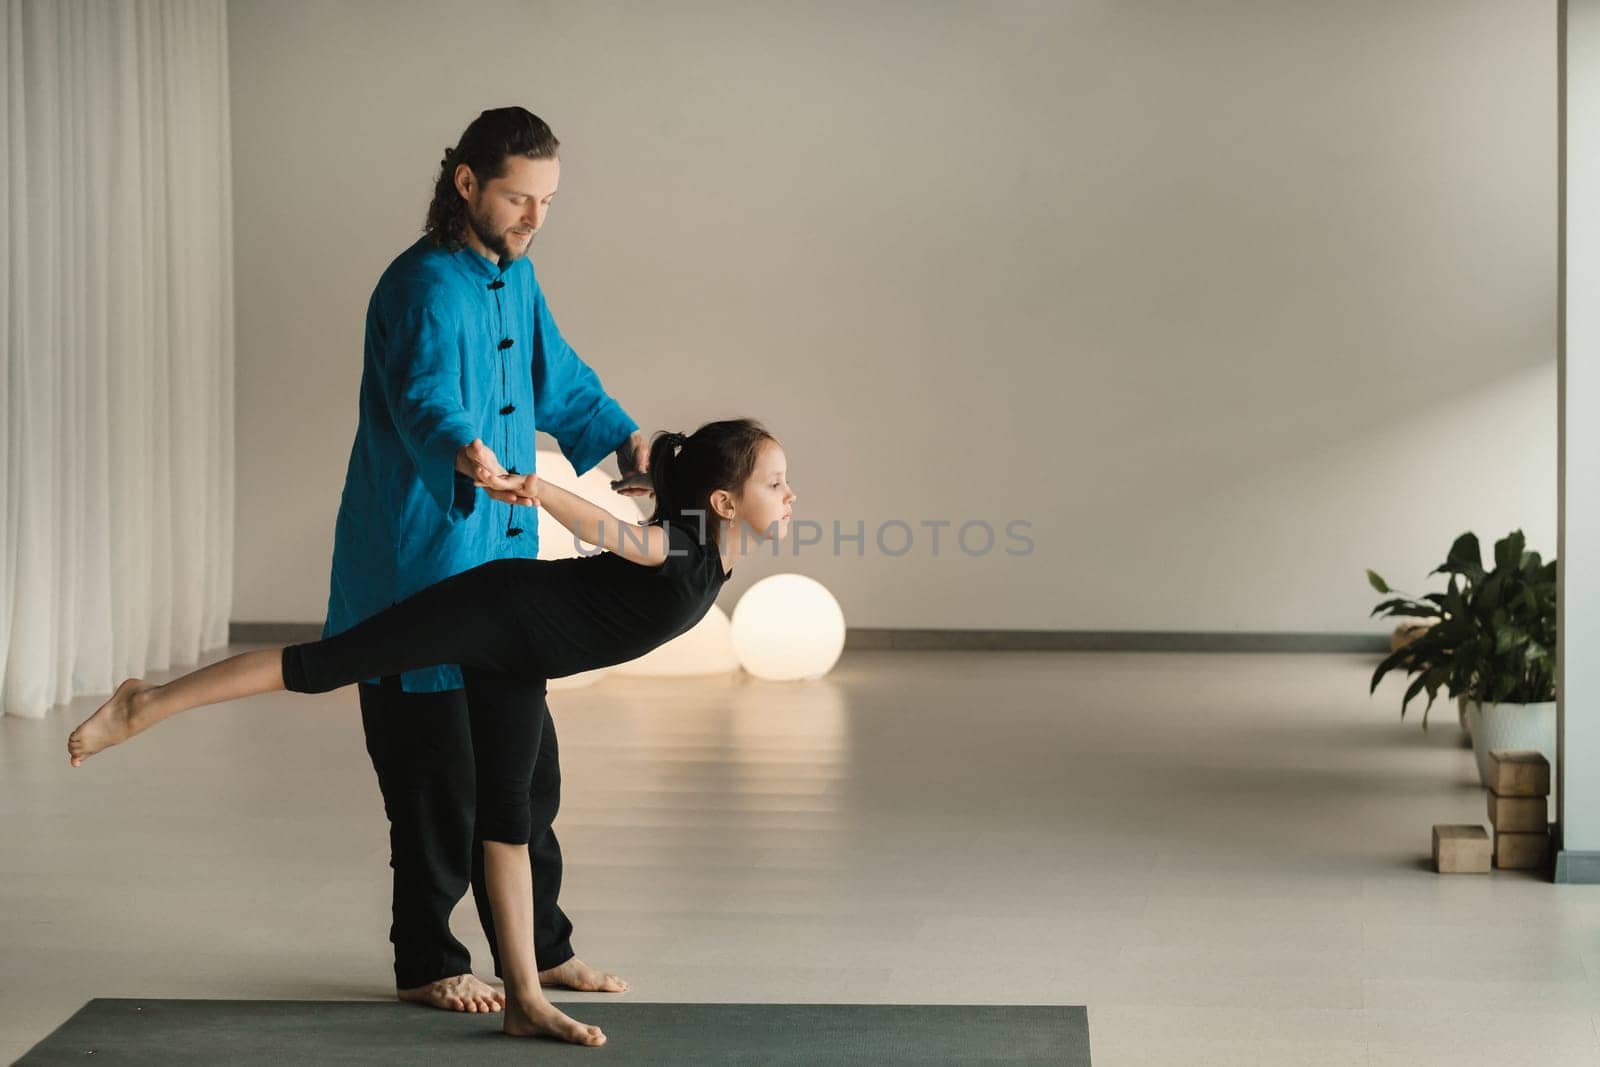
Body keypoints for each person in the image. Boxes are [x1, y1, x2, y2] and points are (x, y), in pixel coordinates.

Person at [68, 420, 796, 1047]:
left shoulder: (710, 546)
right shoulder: (676, 549)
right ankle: (145, 703)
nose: (790, 493)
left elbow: (644, 531)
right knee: (326, 665)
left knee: (510, 817)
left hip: (523, 658)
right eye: (777, 481)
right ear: (726, 500)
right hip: (495, 613)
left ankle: (525, 999)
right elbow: (613, 533)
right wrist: (538, 489)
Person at [335, 106, 648, 1012]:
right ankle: (428, 961)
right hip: (419, 564)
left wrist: (628, 444)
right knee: (434, 779)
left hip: (502, 567)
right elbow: (425, 397)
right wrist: (465, 449)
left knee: (523, 774)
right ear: (467, 183)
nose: (535, 217)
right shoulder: (421, 287)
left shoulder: (517, 275)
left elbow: (561, 379)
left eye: (548, 200)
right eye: (520, 196)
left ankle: (541, 950)